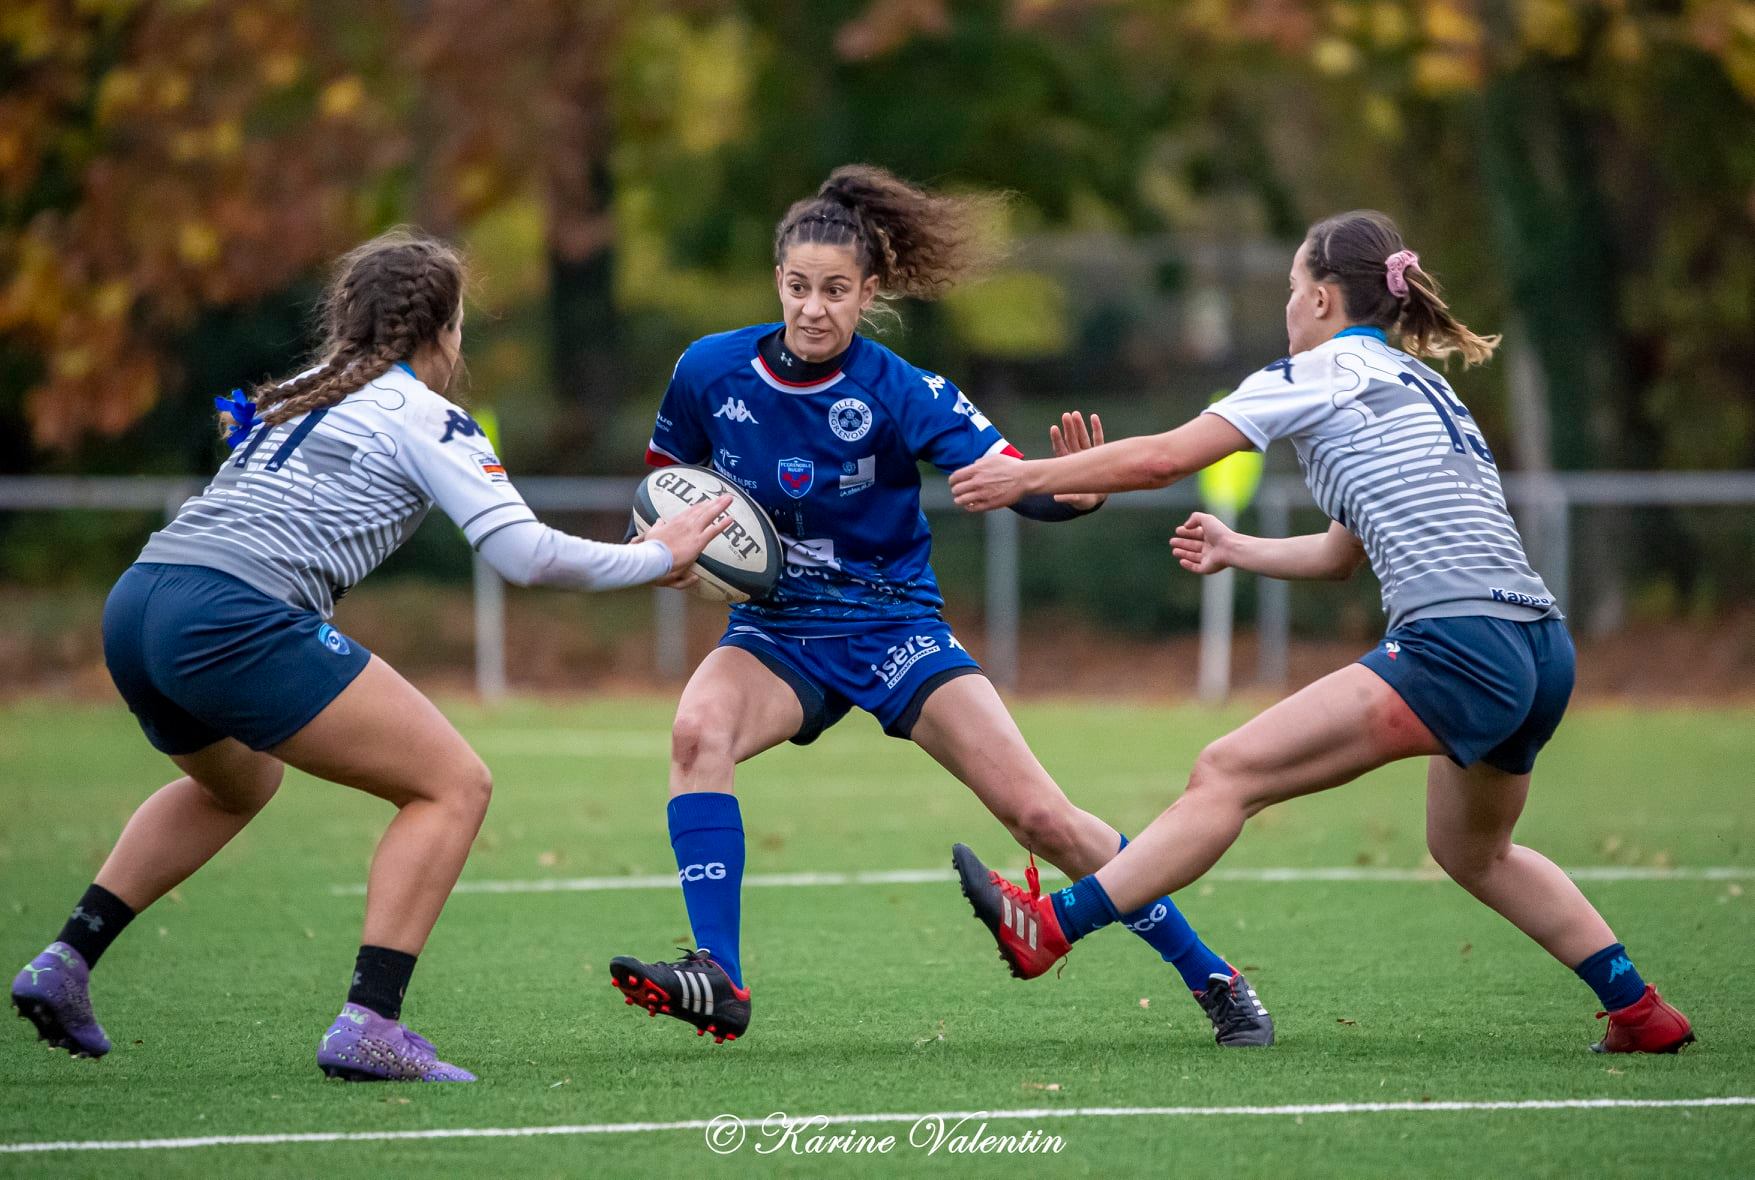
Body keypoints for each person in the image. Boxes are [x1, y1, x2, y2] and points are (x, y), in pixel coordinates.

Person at [945, 209, 1694, 1054]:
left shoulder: (1316, 368)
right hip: (1536, 644)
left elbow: (1164, 456)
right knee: (1473, 851)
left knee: (1226, 771)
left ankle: (1050, 927)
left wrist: (1027, 477)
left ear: (1325, 298)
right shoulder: (1417, 382)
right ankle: (1637, 1010)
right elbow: (1343, 553)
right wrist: (1237, 547)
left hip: (1459, 646)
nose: (1288, 309)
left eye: (1291, 290)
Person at [9, 231, 733, 1081]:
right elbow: (524, 556)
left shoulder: (297, 393)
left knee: (238, 782)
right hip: (231, 611)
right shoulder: (424, 414)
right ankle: (370, 1023)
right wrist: (657, 555)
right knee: (452, 785)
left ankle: (66, 960)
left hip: (141, 598)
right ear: (444, 330)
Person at [607, 166, 1274, 1050]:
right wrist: (664, 553)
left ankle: (1217, 982)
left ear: (868, 293)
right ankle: (719, 977)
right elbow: (666, 485)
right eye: (799, 288)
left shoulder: (900, 390)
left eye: (835, 291)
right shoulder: (709, 370)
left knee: (1041, 818)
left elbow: (1012, 482)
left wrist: (1072, 492)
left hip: (894, 631)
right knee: (697, 734)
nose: (814, 308)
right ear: (777, 282)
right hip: (775, 634)